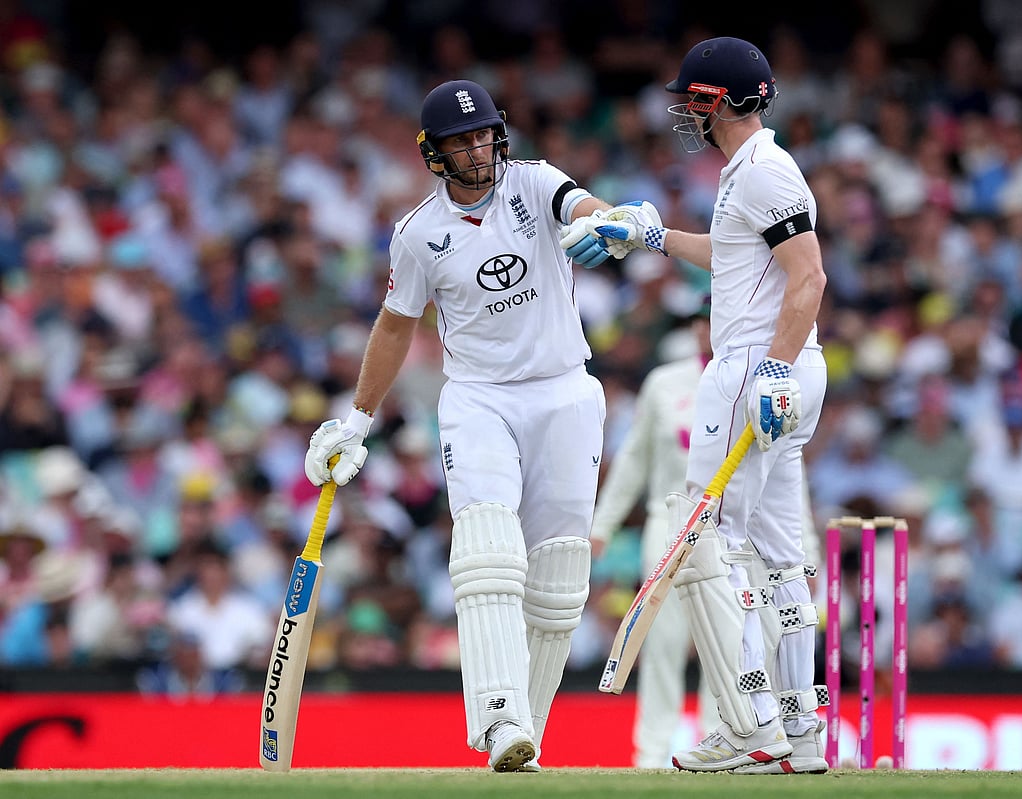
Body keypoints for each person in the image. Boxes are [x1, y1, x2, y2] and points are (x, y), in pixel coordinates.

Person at [304, 79, 627, 773]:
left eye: (483, 134)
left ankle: (524, 735)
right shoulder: (420, 233)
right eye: (461, 140)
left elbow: (586, 207)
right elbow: (395, 328)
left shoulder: (536, 183)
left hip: (566, 390)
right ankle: (499, 713)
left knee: (561, 572)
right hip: (479, 398)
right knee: (488, 551)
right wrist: (357, 420)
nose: (477, 149)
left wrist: (614, 223)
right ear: (435, 153)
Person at [581, 37, 830, 774]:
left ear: (725, 100)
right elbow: (732, 258)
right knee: (779, 557)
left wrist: (774, 371)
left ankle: (747, 723)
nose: (687, 108)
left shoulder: (764, 171)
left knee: (703, 544)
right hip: (772, 365)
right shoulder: (743, 176)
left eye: (696, 97)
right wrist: (655, 235)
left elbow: (809, 276)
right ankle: (800, 730)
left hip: (758, 365)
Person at [589, 305, 721, 767]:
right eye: (701, 322)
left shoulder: (749, 380)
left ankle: (721, 742)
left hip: (727, 529)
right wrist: (603, 523)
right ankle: (651, 751)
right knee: (661, 640)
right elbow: (633, 459)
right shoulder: (665, 383)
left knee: (725, 645)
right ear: (693, 329)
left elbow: (787, 472)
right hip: (668, 524)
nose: (708, 330)